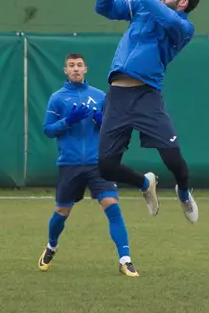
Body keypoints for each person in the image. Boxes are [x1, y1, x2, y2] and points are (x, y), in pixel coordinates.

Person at [93, 0, 201, 224]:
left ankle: (184, 192)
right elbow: (103, 8)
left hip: (146, 97)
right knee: (106, 167)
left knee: (173, 159)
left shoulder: (183, 28)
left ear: (183, 3)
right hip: (117, 96)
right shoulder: (141, 7)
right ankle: (145, 183)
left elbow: (168, 19)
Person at [38, 54, 138, 277]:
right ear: (65, 70)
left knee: (112, 205)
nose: (75, 69)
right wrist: (68, 121)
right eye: (71, 65)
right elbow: (48, 130)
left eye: (79, 65)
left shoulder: (100, 96)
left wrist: (103, 123)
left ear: (86, 69)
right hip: (70, 164)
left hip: (98, 163)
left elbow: (115, 130)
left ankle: (125, 259)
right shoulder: (57, 98)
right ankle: (51, 246)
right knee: (62, 211)